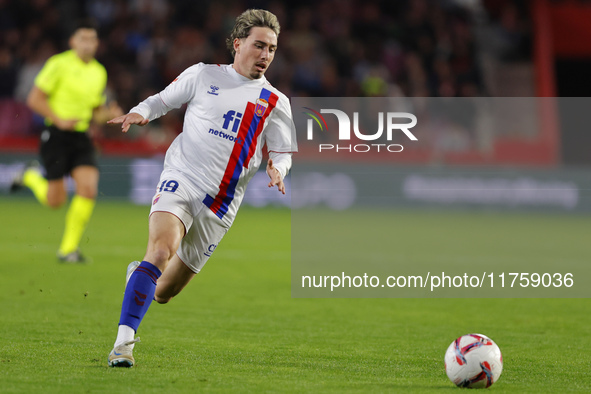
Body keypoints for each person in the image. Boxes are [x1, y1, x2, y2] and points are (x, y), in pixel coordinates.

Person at [106, 9, 296, 368]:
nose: (266, 55)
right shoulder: (203, 74)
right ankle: (123, 344)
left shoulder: (276, 102)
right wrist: (139, 112)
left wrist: (278, 167)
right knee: (160, 251)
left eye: (271, 48)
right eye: (259, 46)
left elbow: (283, 152)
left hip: (221, 205)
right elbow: (163, 100)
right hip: (183, 176)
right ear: (238, 44)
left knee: (163, 292)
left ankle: (140, 280)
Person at [11, 20, 123, 263]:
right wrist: (59, 120)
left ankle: (67, 250)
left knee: (88, 189)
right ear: (73, 42)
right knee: (55, 201)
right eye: (83, 39)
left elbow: (95, 111)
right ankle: (30, 175)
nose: (88, 44)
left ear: (97, 44)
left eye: (92, 39)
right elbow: (34, 99)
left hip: (81, 137)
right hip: (56, 135)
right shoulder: (58, 64)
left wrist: (108, 114)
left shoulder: (98, 72)